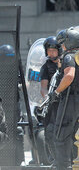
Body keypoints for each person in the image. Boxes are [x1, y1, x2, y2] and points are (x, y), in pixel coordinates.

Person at [47, 27, 79, 169]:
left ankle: (63, 166)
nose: (62, 47)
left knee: (61, 134)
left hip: (70, 100)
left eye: (63, 44)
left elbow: (69, 76)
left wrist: (57, 92)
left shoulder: (69, 57)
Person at [39, 36, 62, 165]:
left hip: (68, 103)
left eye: (53, 50)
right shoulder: (46, 67)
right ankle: (56, 161)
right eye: (49, 50)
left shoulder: (67, 63)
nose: (51, 53)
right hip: (53, 104)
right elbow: (43, 88)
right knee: (50, 132)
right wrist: (49, 98)